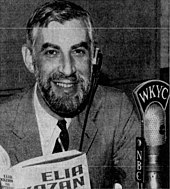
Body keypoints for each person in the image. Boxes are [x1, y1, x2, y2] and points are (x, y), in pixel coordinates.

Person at [0, 0, 140, 188]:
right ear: (30, 60)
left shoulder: (116, 111)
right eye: (51, 52)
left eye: (78, 51)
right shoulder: (3, 124)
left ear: (93, 58)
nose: (67, 69)